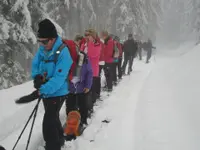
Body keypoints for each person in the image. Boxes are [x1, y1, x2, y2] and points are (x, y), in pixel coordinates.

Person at [32, 19, 73, 150]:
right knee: (53, 116)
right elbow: (35, 63)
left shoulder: (63, 53)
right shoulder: (43, 49)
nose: (42, 45)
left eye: (44, 41)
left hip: (59, 91)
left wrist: (42, 89)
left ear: (52, 38)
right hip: (47, 90)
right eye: (40, 41)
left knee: (48, 121)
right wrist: (37, 76)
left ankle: (53, 146)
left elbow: (59, 79)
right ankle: (59, 140)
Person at [66, 34, 93, 129]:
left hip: (82, 87)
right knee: (70, 106)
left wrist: (88, 85)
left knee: (83, 106)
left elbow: (89, 73)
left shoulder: (84, 58)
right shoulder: (65, 59)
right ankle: (70, 122)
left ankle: (83, 120)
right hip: (70, 88)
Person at [81, 29, 101, 110]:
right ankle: (86, 105)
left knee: (90, 89)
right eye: (85, 35)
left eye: (88, 35)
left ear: (93, 36)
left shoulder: (96, 44)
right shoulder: (84, 44)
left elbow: (92, 54)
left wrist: (89, 43)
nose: (86, 36)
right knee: (85, 89)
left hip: (92, 70)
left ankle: (90, 106)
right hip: (84, 70)